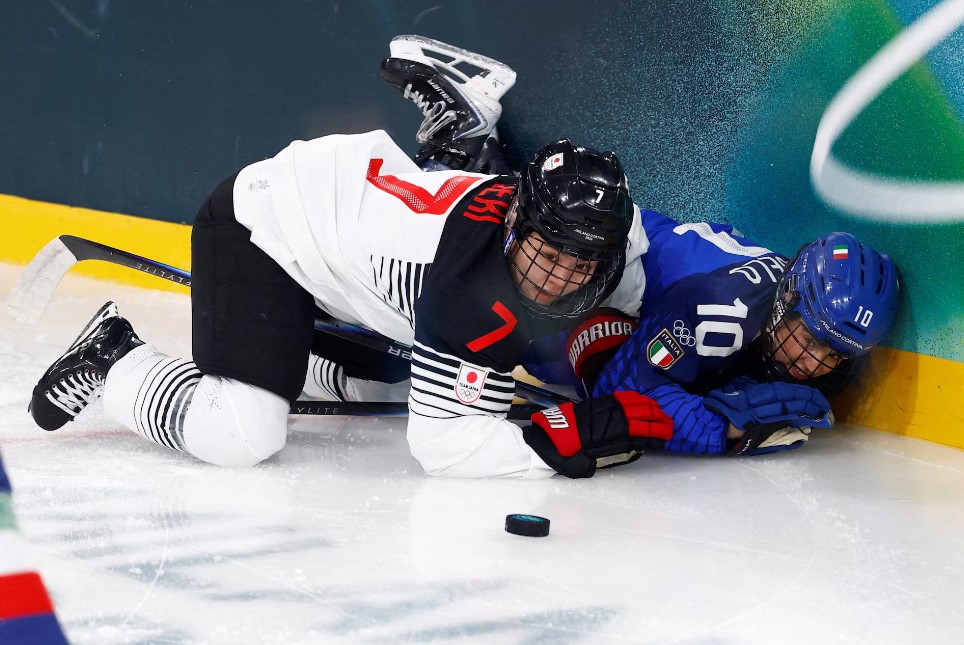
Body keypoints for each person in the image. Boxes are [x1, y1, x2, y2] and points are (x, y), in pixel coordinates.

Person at [27, 43, 674, 479]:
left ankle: (459, 134)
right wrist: (575, 434)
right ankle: (115, 354)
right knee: (242, 437)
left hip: (352, 218)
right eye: (545, 254)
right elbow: (445, 446)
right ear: (515, 226)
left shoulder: (611, 238)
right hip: (262, 226)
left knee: (397, 383)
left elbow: (634, 278)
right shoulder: (468, 291)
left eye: (580, 262)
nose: (559, 277)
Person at [374, 36, 901, 459]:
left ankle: (467, 146)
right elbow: (626, 393)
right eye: (808, 337)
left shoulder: (775, 308)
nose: (813, 363)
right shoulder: (723, 309)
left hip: (624, 286)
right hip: (604, 271)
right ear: (786, 301)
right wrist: (722, 429)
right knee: (508, 314)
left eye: (833, 352)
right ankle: (457, 139)